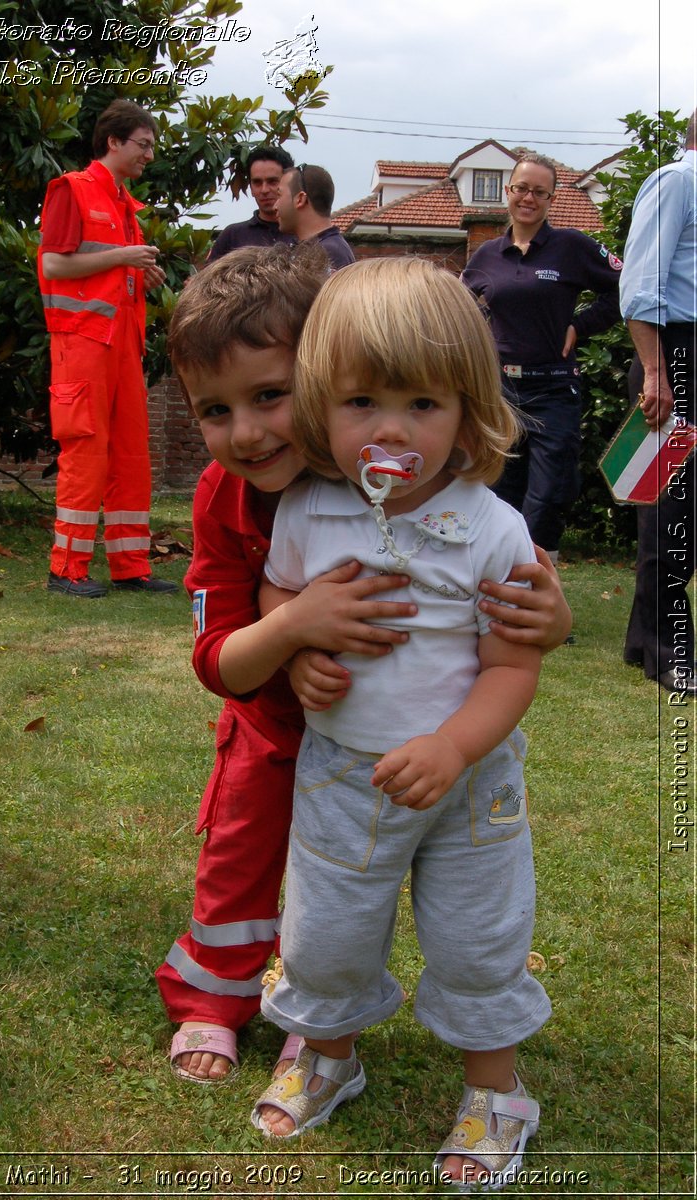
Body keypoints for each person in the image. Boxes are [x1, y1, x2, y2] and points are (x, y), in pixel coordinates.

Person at [156, 246, 571, 1088]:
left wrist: (548, 619)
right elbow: (226, 650)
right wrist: (298, 636)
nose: (248, 432)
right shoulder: (233, 497)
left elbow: (505, 614)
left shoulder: (374, 468)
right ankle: (214, 999)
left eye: (271, 396)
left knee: (396, 902)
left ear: (315, 378)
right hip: (278, 725)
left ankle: (349, 1039)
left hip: (410, 747)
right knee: (250, 862)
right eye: (216, 410)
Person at [252, 259, 549, 1193]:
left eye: (423, 403)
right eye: (362, 402)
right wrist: (296, 651)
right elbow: (280, 594)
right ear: (318, 410)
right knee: (327, 928)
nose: (389, 429)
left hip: (470, 783)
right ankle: (327, 1054)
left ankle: (496, 1094)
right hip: (343, 772)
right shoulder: (307, 509)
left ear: (468, 411)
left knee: (478, 937)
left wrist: (456, 744)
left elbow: (513, 661)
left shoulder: (492, 526)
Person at [38, 99, 176, 598]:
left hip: (122, 346)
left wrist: (136, 268)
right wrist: (124, 257)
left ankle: (130, 567)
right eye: (143, 145)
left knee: (130, 456)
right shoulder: (71, 191)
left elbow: (102, 267)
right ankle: (66, 570)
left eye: (152, 146)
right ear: (113, 142)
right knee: (86, 451)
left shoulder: (123, 204)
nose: (149, 155)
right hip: (82, 345)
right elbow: (54, 266)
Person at [462, 153, 622, 560]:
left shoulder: (571, 247)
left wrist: (580, 326)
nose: (528, 198)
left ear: (551, 199)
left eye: (539, 191)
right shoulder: (486, 256)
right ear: (507, 192)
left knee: (549, 495)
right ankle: (497, 593)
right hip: (501, 391)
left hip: (553, 387)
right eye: (521, 189)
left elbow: (625, 287)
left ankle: (538, 596)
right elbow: (456, 311)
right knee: (499, 493)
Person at [620, 111, 697, 696]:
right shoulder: (678, 181)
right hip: (677, 358)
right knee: (672, 510)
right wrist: (656, 371)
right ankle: (670, 651)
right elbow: (641, 285)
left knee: (681, 513)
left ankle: (642, 638)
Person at [207, 146, 296, 260]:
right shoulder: (232, 236)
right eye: (257, 182)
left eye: (272, 181)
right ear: (250, 187)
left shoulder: (307, 235)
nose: (264, 190)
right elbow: (210, 277)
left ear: (289, 184)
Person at [275, 164, 355, 270]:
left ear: (300, 199)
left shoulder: (329, 253)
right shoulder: (315, 248)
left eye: (279, 195)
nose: (275, 206)